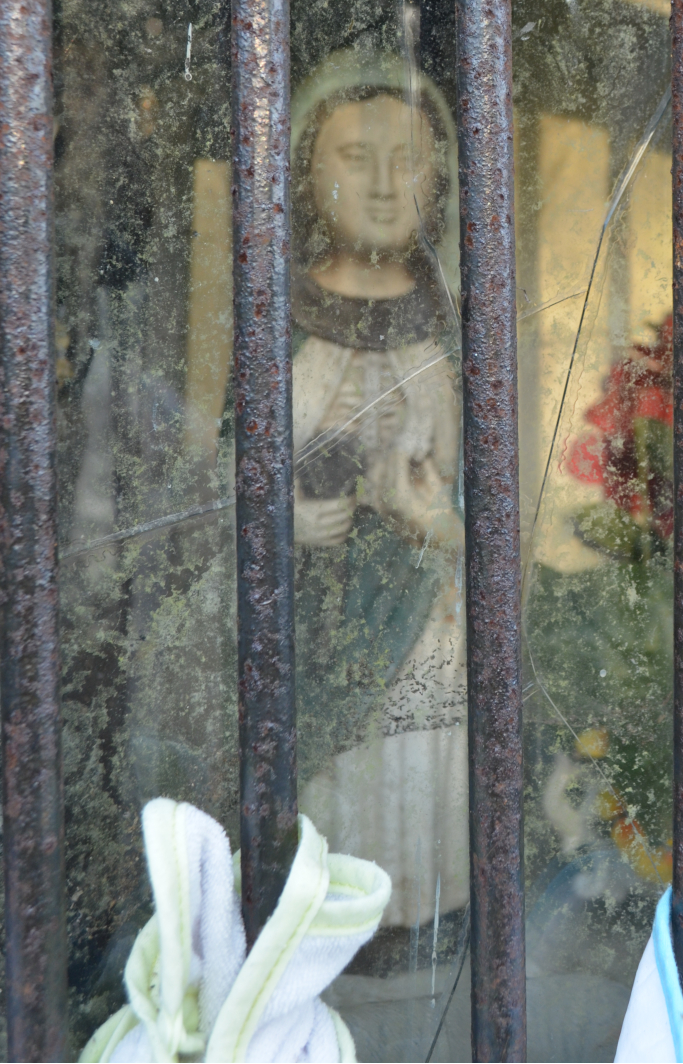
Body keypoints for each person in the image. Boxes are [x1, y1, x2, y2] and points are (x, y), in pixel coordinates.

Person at [286, 48, 468, 959]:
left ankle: (420, 918)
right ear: (306, 169)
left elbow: (488, 492)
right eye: (356, 156)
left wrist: (432, 517)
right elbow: (214, 474)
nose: (387, 184)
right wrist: (283, 518)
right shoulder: (271, 313)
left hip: (424, 615)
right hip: (311, 617)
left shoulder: (453, 323)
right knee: (329, 782)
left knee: (414, 765)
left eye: (410, 159)